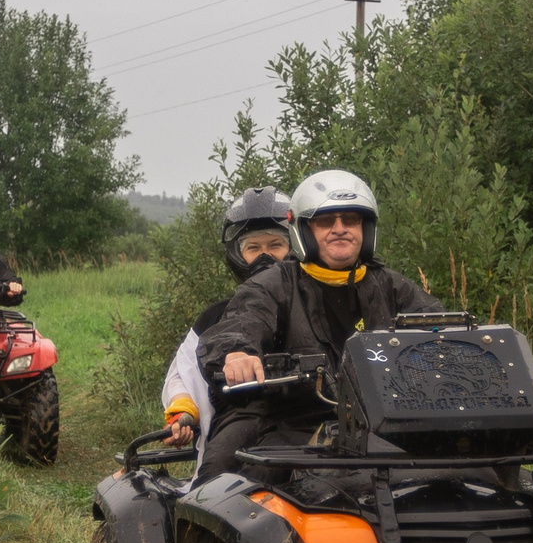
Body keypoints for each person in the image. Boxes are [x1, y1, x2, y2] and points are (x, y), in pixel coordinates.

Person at [196, 170, 441, 477]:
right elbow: (242, 321)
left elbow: (441, 329)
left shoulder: (393, 288)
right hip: (285, 418)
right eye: (326, 221)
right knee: (222, 477)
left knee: (475, 472)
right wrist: (236, 353)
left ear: (366, 228)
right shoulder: (273, 285)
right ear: (304, 231)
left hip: (382, 420)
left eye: (350, 220)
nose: (340, 229)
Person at [159, 187, 294, 457]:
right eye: (253, 247)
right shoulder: (215, 316)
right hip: (239, 429)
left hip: (313, 426)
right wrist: (183, 409)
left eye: (275, 245)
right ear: (236, 254)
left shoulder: (314, 303)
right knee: (218, 473)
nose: (264, 257)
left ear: (294, 248)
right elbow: (180, 375)